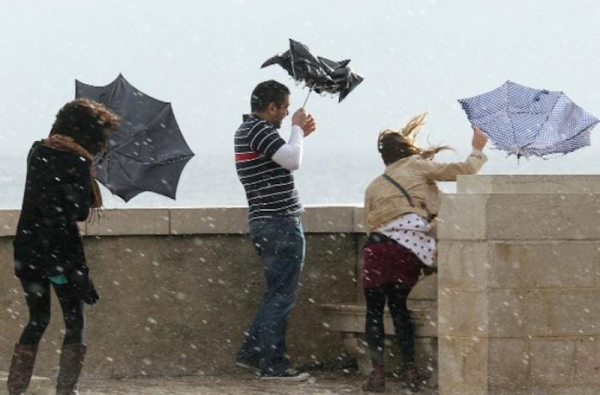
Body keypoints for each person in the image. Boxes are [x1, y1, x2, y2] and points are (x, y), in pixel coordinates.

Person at [361, 113, 488, 392]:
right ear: (408, 150)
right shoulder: (418, 166)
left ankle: (378, 374)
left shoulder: (375, 184)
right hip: (406, 248)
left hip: (376, 248)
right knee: (399, 308)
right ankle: (409, 371)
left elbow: (369, 224)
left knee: (373, 312)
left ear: (385, 158)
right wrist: (478, 148)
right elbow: (465, 170)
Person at [8, 98, 120, 395]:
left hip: (29, 248)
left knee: (38, 318)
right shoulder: (78, 162)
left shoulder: (37, 151)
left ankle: (16, 389)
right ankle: (66, 391)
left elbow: (43, 201)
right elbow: (79, 212)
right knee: (74, 321)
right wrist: (87, 178)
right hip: (60, 255)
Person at [234, 80, 316, 381]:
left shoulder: (249, 132)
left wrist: (299, 134)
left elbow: (285, 156)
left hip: (265, 221)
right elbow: (293, 161)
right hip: (279, 221)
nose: (286, 113)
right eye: (285, 108)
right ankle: (273, 365)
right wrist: (296, 129)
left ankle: (252, 353)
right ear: (271, 107)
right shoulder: (258, 130)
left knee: (275, 293)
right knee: (282, 295)